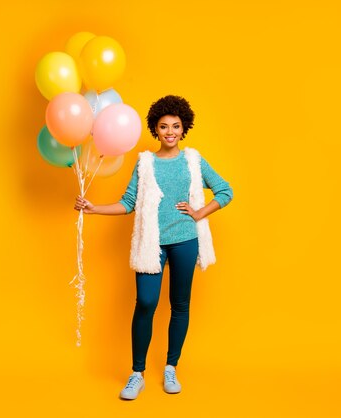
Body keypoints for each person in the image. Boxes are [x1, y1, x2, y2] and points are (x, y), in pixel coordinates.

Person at [74, 95, 233, 400]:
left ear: (184, 128)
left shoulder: (193, 160)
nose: (170, 131)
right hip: (151, 244)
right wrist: (93, 208)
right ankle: (137, 374)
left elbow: (226, 190)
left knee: (180, 305)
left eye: (176, 125)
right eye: (164, 126)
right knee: (146, 302)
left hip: (185, 240)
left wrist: (200, 213)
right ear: (155, 130)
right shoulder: (145, 162)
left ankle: (171, 367)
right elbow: (128, 203)